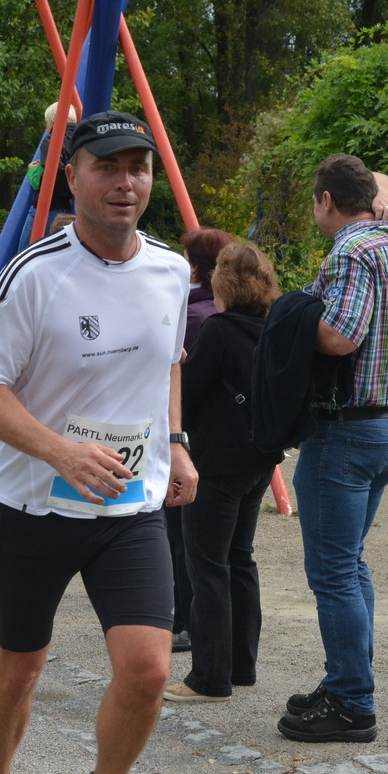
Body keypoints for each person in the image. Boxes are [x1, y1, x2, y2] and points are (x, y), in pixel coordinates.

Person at [0, 110, 196, 774]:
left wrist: (179, 439)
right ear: (74, 177)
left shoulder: (170, 270)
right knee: (19, 667)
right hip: (35, 508)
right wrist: (60, 450)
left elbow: (168, 362)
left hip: (129, 508)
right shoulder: (34, 274)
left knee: (148, 670)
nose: (126, 182)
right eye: (107, 166)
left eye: (139, 166)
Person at [280, 154, 388, 744]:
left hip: (346, 433)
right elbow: (383, 183)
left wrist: (287, 318)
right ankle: (348, 677)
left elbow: (340, 337)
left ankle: (351, 701)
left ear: (325, 201)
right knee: (351, 562)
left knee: (334, 571)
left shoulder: (351, 250)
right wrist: (386, 193)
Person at [164, 241, 285, 701]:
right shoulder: (271, 327)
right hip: (258, 460)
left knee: (206, 566)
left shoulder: (217, 330)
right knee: (240, 559)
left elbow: (187, 396)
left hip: (216, 463)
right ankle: (241, 665)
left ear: (223, 283)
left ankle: (209, 677)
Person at [166, 228, 235, 655]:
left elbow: (184, 384)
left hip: (193, 440)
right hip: (229, 442)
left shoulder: (193, 316)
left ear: (194, 266)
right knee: (232, 553)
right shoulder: (225, 312)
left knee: (185, 538)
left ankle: (185, 621)